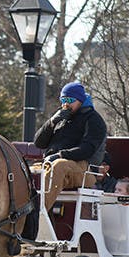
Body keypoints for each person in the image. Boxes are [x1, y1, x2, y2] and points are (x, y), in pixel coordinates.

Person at [33, 81, 107, 211]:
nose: (65, 104)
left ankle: (38, 212)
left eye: (70, 100)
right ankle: (17, 212)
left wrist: (60, 155)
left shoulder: (93, 119)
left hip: (84, 169)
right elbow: (39, 143)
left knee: (59, 166)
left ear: (80, 100)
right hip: (51, 163)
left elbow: (87, 149)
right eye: (63, 100)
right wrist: (51, 122)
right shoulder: (62, 118)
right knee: (27, 170)